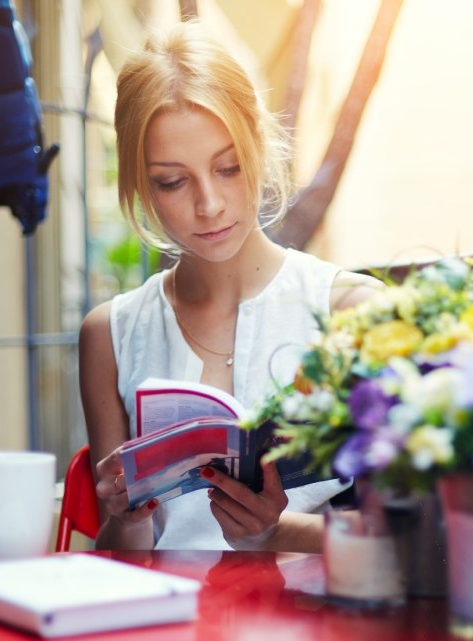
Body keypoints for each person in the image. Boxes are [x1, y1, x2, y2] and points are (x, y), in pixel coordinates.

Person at [79, 21, 381, 552]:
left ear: (259, 147)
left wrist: (272, 530)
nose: (209, 204)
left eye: (229, 167)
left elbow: (399, 546)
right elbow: (122, 557)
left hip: (314, 625)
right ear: (138, 183)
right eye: (172, 181)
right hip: (169, 627)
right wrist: (127, 518)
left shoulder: (352, 311)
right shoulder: (111, 334)